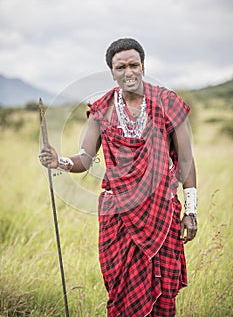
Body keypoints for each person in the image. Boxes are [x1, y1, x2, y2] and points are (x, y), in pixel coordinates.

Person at [39, 38, 198, 317]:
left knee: (161, 294)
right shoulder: (101, 110)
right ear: (112, 72)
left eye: (134, 65)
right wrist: (60, 161)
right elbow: (85, 159)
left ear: (143, 66)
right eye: (120, 66)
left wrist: (191, 210)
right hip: (118, 215)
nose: (128, 72)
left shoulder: (167, 103)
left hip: (160, 210)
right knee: (122, 291)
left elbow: (185, 161)